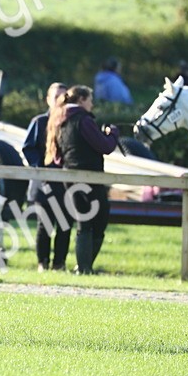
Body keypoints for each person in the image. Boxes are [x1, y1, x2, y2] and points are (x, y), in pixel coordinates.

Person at [46, 85, 120, 275]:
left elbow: (57, 156)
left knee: (83, 221)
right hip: (90, 178)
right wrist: (113, 134)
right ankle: (85, 267)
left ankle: (84, 267)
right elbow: (104, 146)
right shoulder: (83, 120)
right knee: (99, 219)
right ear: (81, 100)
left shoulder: (60, 119)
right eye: (89, 99)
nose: (92, 104)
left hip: (70, 178)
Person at [21, 82, 71, 271]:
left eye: (63, 96)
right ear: (48, 99)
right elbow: (28, 148)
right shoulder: (39, 122)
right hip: (44, 182)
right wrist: (41, 169)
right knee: (46, 224)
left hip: (66, 182)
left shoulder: (70, 122)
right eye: (55, 96)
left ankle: (60, 264)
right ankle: (42, 263)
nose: (59, 100)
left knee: (65, 224)